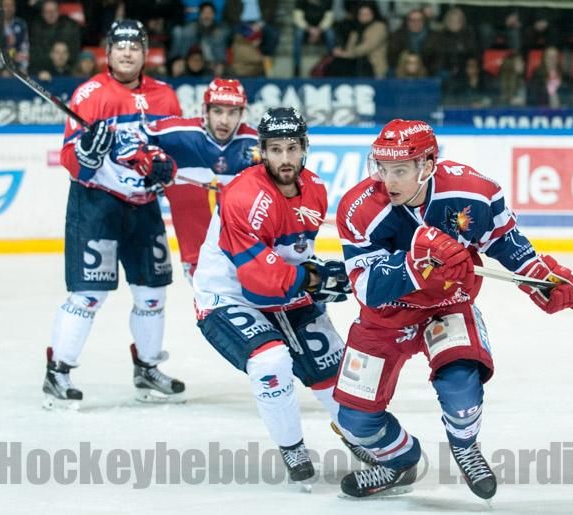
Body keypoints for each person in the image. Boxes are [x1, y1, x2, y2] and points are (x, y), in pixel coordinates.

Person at [334, 119, 573, 498]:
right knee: (355, 419)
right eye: (382, 168)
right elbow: (366, 287)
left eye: (400, 170)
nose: (388, 181)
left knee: (462, 388)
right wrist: (415, 262)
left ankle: (465, 446)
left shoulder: (472, 191)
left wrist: (540, 277)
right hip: (386, 315)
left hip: (447, 302)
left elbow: (504, 240)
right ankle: (399, 461)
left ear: (427, 165)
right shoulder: (358, 209)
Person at [193, 107, 362, 483]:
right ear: (262, 151)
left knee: (333, 371)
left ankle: (358, 434)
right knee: (271, 361)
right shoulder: (242, 197)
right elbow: (258, 281)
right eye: (275, 149)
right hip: (228, 296)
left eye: (292, 148)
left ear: (304, 148)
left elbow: (294, 258)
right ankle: (291, 445)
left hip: (282, 290)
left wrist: (322, 277)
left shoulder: (315, 189)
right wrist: (317, 279)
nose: (285, 158)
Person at [43, 20, 184, 409]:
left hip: (144, 206)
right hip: (97, 205)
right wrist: (88, 154)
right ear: (107, 53)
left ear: (145, 53)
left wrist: (164, 168)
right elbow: (71, 159)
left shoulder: (165, 96)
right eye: (119, 46)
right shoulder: (90, 95)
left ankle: (147, 367)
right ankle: (58, 373)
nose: (126, 52)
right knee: (89, 294)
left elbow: (175, 151)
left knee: (152, 293)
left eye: (134, 46)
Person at [115, 78, 260, 278]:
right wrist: (149, 157)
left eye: (232, 112)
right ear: (205, 110)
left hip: (249, 256)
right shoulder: (179, 134)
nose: (224, 120)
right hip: (198, 262)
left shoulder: (257, 143)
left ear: (242, 113)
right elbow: (129, 137)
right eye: (218, 111)